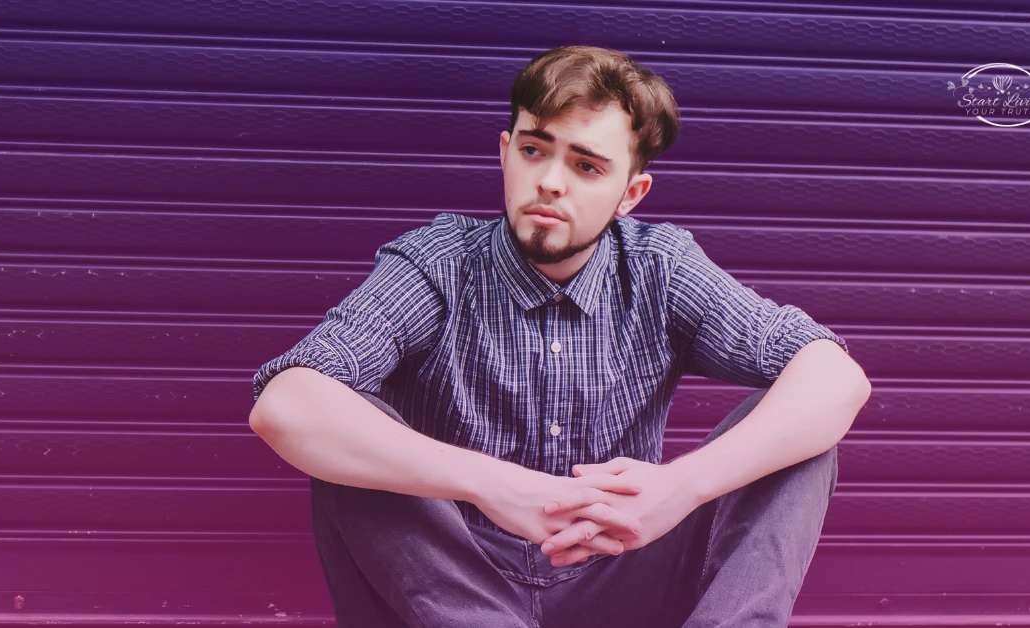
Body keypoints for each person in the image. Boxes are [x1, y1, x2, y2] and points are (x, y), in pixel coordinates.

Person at [248, 45, 871, 628]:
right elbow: (285, 404)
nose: (550, 181)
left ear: (631, 193)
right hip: (457, 587)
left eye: (586, 165)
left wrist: (678, 490)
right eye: (534, 150)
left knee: (799, 429)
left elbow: (836, 377)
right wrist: (497, 487)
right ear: (504, 151)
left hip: (620, 568)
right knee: (340, 420)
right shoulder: (438, 263)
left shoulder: (661, 266)